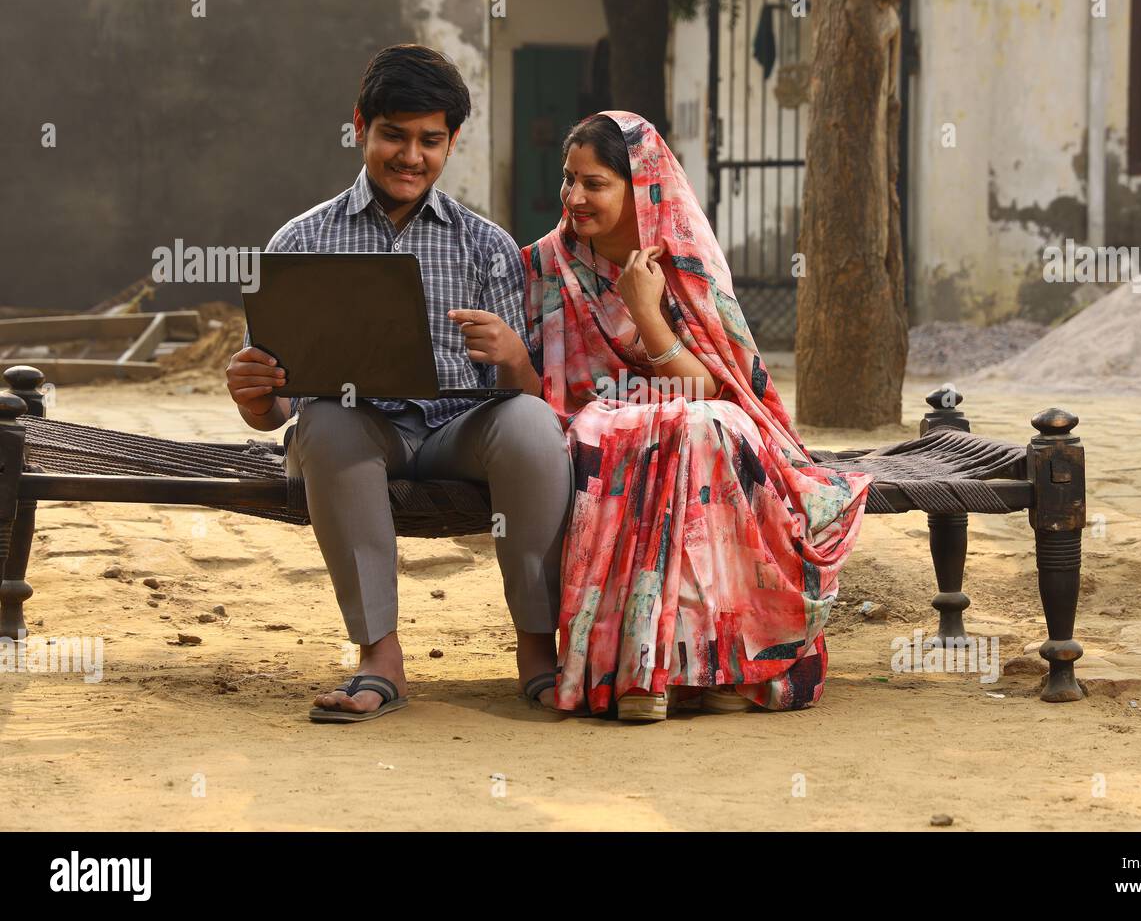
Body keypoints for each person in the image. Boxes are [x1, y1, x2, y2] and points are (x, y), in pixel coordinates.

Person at [224, 44, 573, 721]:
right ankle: (379, 656)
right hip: (357, 430)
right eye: (394, 135)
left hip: (457, 433)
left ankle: (538, 648)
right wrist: (257, 394)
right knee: (324, 420)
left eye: (430, 140)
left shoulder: (487, 246)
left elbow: (530, 394)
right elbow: (275, 411)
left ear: (452, 143)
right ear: (361, 126)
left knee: (533, 426)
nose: (411, 156)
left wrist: (512, 357)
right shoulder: (301, 242)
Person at [520, 111, 873, 720]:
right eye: (567, 180)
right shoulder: (545, 267)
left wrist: (646, 310)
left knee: (700, 427)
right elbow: (545, 400)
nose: (574, 198)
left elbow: (710, 388)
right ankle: (640, 675)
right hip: (593, 432)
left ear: (642, 188)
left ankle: (710, 667)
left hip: (690, 432)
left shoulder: (684, 263)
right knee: (634, 432)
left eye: (594, 183)